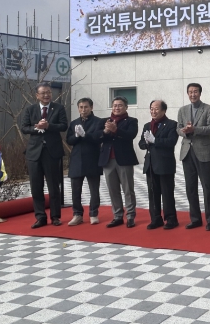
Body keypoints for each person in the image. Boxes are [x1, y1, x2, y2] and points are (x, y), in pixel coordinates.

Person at [21, 82, 68, 228]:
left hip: (52, 152)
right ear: (37, 95)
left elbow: (64, 125)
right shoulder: (30, 109)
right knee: (36, 187)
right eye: (43, 93)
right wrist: (37, 128)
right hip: (34, 152)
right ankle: (40, 217)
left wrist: (48, 126)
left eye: (48, 92)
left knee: (53, 186)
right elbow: (24, 128)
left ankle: (55, 216)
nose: (46, 95)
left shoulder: (58, 108)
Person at [177, 83, 210, 231]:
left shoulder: (208, 109)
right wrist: (185, 131)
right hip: (187, 151)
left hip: (203, 151)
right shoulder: (182, 110)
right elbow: (178, 128)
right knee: (190, 187)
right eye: (190, 92)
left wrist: (195, 129)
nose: (192, 94)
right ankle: (195, 219)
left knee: (207, 187)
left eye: (195, 92)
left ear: (200, 93)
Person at [95, 96, 139, 228]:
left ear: (126, 107)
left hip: (124, 159)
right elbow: (96, 137)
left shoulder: (131, 121)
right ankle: (117, 216)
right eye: (114, 105)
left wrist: (116, 130)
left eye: (120, 105)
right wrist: (105, 131)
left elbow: (130, 135)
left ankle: (130, 216)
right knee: (113, 190)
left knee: (128, 189)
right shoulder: (104, 121)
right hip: (108, 159)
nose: (117, 108)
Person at [139, 100, 179, 230]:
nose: (153, 111)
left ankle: (171, 219)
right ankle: (156, 219)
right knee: (153, 194)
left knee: (167, 193)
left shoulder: (172, 124)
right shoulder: (147, 125)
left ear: (163, 110)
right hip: (151, 164)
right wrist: (146, 142)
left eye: (156, 109)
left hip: (165, 163)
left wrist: (155, 140)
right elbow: (141, 143)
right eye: (151, 109)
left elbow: (171, 141)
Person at [65, 97, 103, 226]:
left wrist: (85, 135)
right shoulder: (74, 123)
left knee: (94, 190)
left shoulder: (98, 122)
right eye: (81, 107)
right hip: (77, 159)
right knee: (75, 190)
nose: (83, 110)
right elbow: (69, 140)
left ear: (91, 107)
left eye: (86, 107)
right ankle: (77, 214)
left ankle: (93, 213)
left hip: (93, 158)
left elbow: (99, 138)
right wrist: (76, 136)